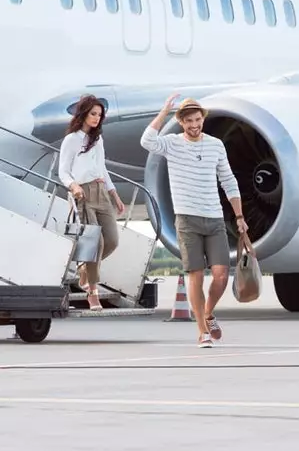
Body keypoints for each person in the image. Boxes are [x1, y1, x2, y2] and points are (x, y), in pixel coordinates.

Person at [140, 94, 247, 347]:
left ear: (203, 119)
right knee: (195, 276)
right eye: (188, 121)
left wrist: (240, 216)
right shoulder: (171, 144)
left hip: (214, 218)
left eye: (198, 119)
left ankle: (208, 313)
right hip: (187, 220)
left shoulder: (215, 145)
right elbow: (146, 141)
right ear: (181, 122)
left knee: (221, 275)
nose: (194, 124)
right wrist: (164, 110)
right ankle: (202, 331)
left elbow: (229, 181)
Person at [58, 94, 128, 309]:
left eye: (99, 115)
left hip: (101, 192)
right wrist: (74, 186)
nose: (97, 118)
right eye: (93, 114)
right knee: (95, 244)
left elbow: (103, 168)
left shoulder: (98, 140)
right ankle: (93, 293)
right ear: (84, 114)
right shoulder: (72, 139)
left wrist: (114, 194)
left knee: (112, 240)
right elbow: (63, 171)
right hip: (83, 193)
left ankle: (84, 270)